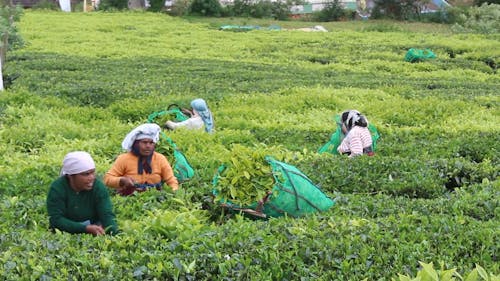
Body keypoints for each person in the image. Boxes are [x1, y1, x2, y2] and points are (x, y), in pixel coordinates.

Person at [46, 151, 118, 235]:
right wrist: (85, 229)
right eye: (86, 174)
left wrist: (114, 232)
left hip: (95, 228)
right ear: (71, 176)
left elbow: (107, 214)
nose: (92, 177)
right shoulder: (58, 188)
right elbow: (56, 219)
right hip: (64, 233)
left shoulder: (98, 187)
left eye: (92, 172)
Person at [104, 123, 179, 196]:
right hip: (129, 197)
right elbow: (108, 179)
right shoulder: (124, 159)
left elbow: (171, 180)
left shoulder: (160, 159)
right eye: (144, 142)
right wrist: (122, 180)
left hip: (154, 197)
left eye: (151, 143)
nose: (148, 146)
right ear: (136, 144)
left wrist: (173, 192)